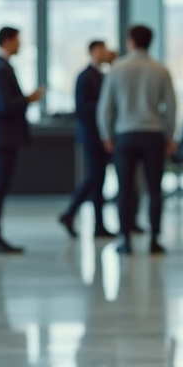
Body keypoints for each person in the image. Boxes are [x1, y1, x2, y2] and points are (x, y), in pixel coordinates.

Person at [97, 25, 177, 256]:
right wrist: (170, 136)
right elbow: (170, 107)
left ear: (130, 41)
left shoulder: (117, 68)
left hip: (125, 135)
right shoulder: (161, 70)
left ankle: (125, 241)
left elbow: (106, 108)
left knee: (124, 189)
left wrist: (107, 135)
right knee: (154, 188)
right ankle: (154, 240)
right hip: (153, 134)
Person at [0, 26, 44, 255]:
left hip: (0, 138)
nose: (20, 45)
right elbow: (4, 105)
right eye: (17, 41)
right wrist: (29, 99)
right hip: (1, 139)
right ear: (7, 41)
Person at [58, 40, 118, 239]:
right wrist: (104, 105)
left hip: (101, 135)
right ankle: (75, 214)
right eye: (102, 50)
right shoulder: (85, 77)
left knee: (97, 179)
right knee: (95, 177)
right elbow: (82, 108)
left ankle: (86, 220)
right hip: (92, 135)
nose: (106, 53)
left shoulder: (101, 75)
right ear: (94, 51)